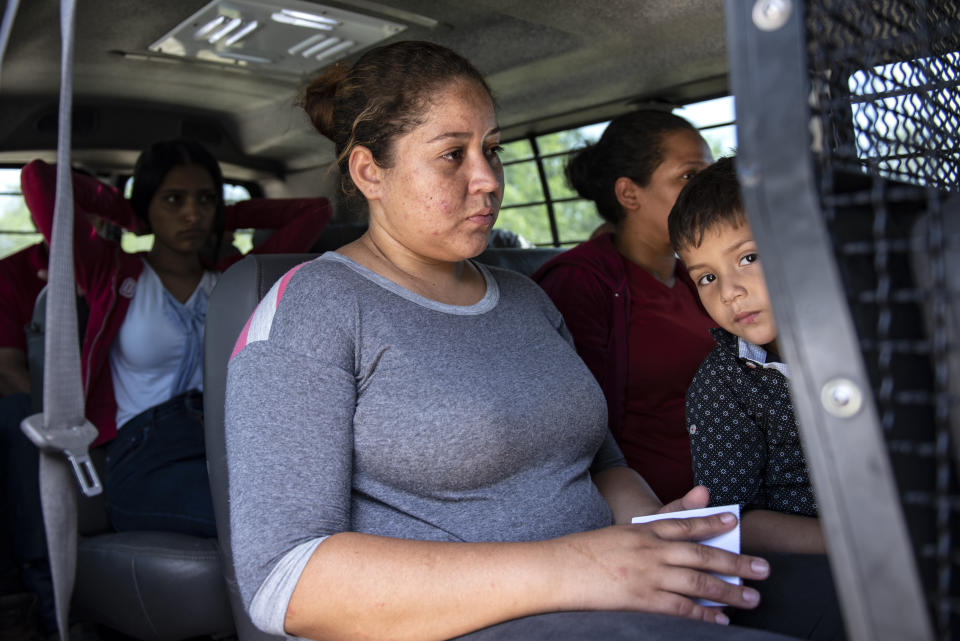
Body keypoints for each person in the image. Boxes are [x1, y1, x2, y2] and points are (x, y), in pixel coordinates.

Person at [225, 41, 783, 641]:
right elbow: (282, 582)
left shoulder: (526, 298)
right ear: (369, 172)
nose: (488, 178)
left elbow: (602, 463)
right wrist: (579, 566)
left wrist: (652, 535)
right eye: (451, 156)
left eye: (491, 149)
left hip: (605, 596)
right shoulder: (313, 309)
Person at [14, 141, 331, 635]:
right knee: (273, 520)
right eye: (173, 200)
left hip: (229, 444)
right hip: (143, 453)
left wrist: (227, 213)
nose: (192, 214)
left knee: (316, 504)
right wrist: (130, 211)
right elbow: (38, 180)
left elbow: (314, 210)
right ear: (148, 207)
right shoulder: (113, 273)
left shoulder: (233, 279)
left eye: (204, 200)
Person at [533, 111, 716, 503]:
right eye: (690, 177)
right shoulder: (580, 283)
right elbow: (577, 432)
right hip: (653, 508)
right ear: (629, 194)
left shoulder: (698, 277)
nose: (709, 191)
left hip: (738, 487)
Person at [668, 156, 823, 554]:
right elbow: (730, 518)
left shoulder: (876, 335)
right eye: (706, 277)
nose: (729, 292)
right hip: (807, 562)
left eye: (748, 258)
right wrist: (851, 543)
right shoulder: (724, 384)